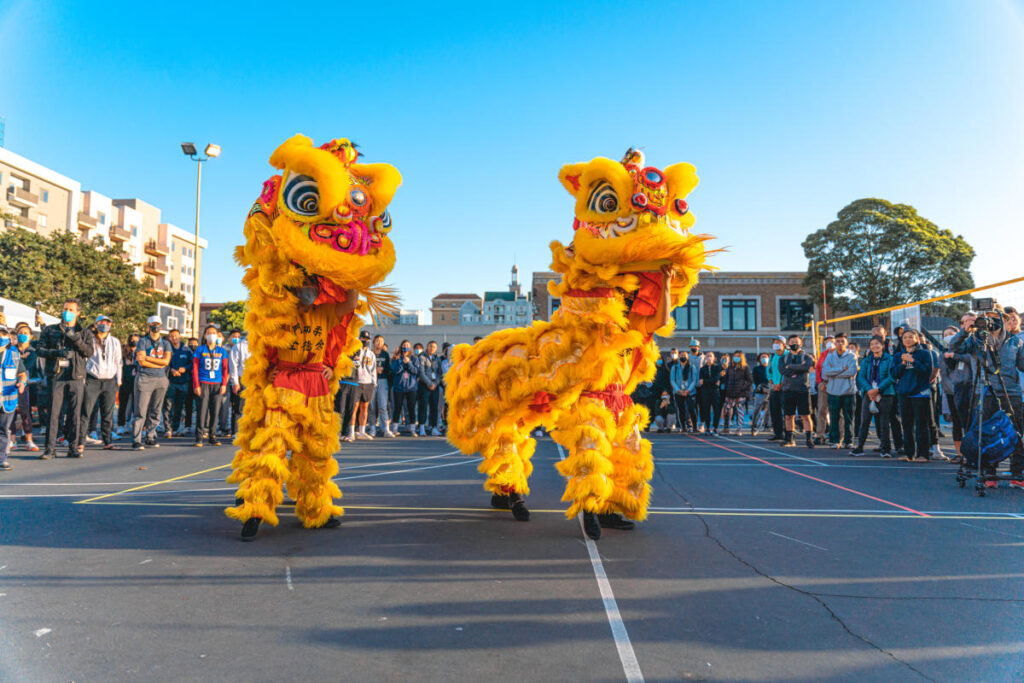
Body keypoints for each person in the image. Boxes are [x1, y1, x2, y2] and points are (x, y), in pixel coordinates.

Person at [950, 307, 1024, 487]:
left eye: (995, 318)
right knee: (985, 433)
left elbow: (1022, 365)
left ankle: (1017, 473)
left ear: (1005, 320)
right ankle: (989, 474)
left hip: (1011, 392)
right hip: (984, 391)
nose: (991, 322)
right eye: (987, 318)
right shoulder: (976, 339)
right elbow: (954, 347)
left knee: (1017, 432)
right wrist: (965, 330)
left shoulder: (1017, 341)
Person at [36, 298, 94, 459]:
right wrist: (56, 353)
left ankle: (73, 447)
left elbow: (89, 352)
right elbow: (40, 350)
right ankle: (49, 449)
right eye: (65, 309)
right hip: (57, 375)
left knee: (75, 414)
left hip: (76, 376)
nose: (67, 312)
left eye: (70, 309)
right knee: (53, 414)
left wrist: (74, 337)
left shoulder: (85, 332)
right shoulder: (50, 330)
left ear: (78, 312)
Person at [890, 328, 934, 463]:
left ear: (917, 339)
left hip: (920, 393)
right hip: (904, 392)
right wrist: (903, 363)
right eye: (905, 337)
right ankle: (909, 453)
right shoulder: (898, 356)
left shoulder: (924, 354)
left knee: (921, 424)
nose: (908, 339)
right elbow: (894, 374)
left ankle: (923, 454)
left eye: (911, 337)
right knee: (907, 424)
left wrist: (913, 361)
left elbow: (927, 372)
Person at [79, 315, 121, 452]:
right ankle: (81, 441)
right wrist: (83, 378)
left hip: (109, 381)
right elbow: (84, 359)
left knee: (107, 413)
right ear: (96, 325)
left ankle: (107, 441)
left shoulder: (115, 342)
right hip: (92, 379)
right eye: (102, 322)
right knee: (86, 411)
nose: (105, 325)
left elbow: (118, 362)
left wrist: (119, 380)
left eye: (108, 322)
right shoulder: (90, 340)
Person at [852, 336, 896, 456]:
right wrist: (870, 390)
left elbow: (891, 376)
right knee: (864, 420)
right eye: (872, 344)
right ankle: (860, 447)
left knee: (884, 422)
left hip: (886, 394)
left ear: (882, 346)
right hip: (869, 393)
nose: (874, 346)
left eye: (877, 344)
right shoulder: (867, 360)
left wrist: (879, 389)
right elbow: (861, 376)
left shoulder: (889, 359)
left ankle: (885, 448)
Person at [132, 315, 171, 450]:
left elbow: (166, 362)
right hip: (145, 378)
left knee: (156, 410)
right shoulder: (143, 341)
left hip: (161, 379)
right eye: (153, 324)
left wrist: (149, 359)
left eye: (158, 324)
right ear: (148, 326)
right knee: (141, 411)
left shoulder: (166, 343)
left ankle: (150, 436)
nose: (156, 326)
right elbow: (141, 361)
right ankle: (137, 439)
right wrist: (159, 364)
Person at [943, 315, 976, 462]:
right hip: (957, 387)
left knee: (975, 422)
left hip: (975, 386)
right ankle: (963, 454)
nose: (968, 324)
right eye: (964, 321)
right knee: (960, 423)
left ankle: (977, 455)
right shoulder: (959, 341)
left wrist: (956, 356)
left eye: (971, 321)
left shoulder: (979, 339)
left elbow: (974, 358)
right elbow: (954, 350)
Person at [191, 324, 229, 447]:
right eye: (209, 332)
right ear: (205, 335)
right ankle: (199, 437)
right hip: (203, 382)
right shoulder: (200, 350)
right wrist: (196, 385)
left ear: (218, 335)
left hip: (217, 384)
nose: (211, 335)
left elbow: (225, 369)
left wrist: (224, 384)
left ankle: (213, 436)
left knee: (215, 410)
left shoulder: (222, 351)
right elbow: (195, 368)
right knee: (202, 411)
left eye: (214, 332)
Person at [822, 333, 858, 449]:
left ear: (846, 343)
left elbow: (852, 372)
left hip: (848, 391)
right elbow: (825, 372)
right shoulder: (830, 357)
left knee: (849, 418)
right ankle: (834, 440)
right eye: (837, 341)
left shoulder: (852, 356)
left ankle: (848, 441)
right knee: (834, 418)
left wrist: (834, 373)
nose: (840, 343)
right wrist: (841, 369)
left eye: (842, 341)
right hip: (833, 392)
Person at [779, 334, 815, 448]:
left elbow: (806, 367)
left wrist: (791, 367)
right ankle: (789, 438)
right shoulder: (783, 358)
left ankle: (809, 438)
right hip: (788, 389)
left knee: (806, 415)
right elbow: (783, 371)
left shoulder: (807, 357)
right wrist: (797, 368)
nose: (794, 344)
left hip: (802, 389)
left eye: (797, 342)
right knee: (789, 416)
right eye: (792, 342)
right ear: (788, 344)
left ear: (801, 343)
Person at [0, 325, 28, 470]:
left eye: (4, 334)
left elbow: (22, 373)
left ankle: (2, 459)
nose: (1, 337)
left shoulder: (14, 354)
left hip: (8, 399)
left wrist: (22, 383)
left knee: (4, 430)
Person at [12, 323, 40, 452]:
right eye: (20, 332)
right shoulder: (11, 349)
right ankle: (12, 440)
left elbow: (28, 367)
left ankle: (29, 440)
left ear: (30, 336)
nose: (22, 335)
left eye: (25, 333)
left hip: (27, 385)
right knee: (10, 413)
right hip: (10, 384)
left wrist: (20, 360)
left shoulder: (33, 351)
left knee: (25, 412)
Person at [163, 328, 191, 437]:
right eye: (171, 336)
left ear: (180, 336)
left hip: (183, 382)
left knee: (179, 407)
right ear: (169, 337)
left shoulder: (186, 349)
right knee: (168, 406)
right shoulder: (166, 349)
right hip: (170, 382)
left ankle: (175, 428)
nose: (174, 337)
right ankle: (167, 428)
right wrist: (171, 370)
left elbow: (192, 364)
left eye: (176, 335)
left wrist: (185, 368)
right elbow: (164, 364)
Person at [391, 340, 419, 435]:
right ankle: (395, 428)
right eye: (404, 345)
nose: (405, 347)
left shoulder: (414, 358)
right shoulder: (397, 358)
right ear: (401, 346)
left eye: (407, 345)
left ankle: (412, 428)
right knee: (397, 408)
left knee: (411, 408)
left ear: (410, 347)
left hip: (411, 387)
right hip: (399, 387)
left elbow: (416, 371)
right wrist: (402, 362)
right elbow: (395, 370)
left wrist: (409, 363)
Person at [720, 351, 752, 435]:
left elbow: (749, 381)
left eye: (738, 356)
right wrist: (726, 389)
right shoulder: (730, 367)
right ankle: (726, 428)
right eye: (735, 356)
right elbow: (726, 379)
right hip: (730, 392)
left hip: (740, 393)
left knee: (739, 411)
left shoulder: (745, 367)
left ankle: (739, 429)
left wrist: (742, 389)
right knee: (726, 409)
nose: (736, 358)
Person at [369, 335, 395, 437]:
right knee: (371, 406)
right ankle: (372, 428)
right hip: (371, 381)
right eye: (377, 341)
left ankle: (386, 429)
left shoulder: (385, 354)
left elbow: (389, 369)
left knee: (383, 406)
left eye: (381, 341)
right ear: (374, 342)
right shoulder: (370, 354)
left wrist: (383, 370)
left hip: (382, 380)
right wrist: (375, 370)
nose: (379, 343)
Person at [353, 331, 377, 440]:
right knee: (355, 407)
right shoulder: (355, 351)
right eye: (363, 338)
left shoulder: (371, 354)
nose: (365, 341)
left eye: (367, 339)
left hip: (368, 382)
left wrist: (373, 382)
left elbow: (373, 369)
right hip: (357, 381)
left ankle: (362, 431)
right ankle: (351, 431)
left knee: (365, 407)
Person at [227, 328, 250, 438]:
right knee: (238, 407)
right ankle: (235, 432)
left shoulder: (261, 344)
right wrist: (235, 382)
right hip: (243, 379)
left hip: (257, 380)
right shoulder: (240, 346)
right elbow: (233, 366)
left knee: (255, 408)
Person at [417, 340, 442, 436]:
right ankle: (422, 427)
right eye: (430, 346)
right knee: (423, 406)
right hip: (424, 385)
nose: (432, 348)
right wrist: (429, 383)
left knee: (434, 407)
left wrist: (435, 383)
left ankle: (434, 427)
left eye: (434, 347)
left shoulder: (437, 359)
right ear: (427, 347)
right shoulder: (421, 357)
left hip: (435, 386)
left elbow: (439, 373)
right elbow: (421, 372)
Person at [336, 350, 361, 443]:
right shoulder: (341, 349)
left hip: (354, 383)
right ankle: (337, 432)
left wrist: (351, 361)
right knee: (340, 409)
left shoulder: (356, 349)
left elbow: (357, 362)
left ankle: (345, 434)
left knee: (350, 409)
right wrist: (350, 361)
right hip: (342, 381)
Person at [813, 335, 834, 445]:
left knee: (836, 411)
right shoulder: (823, 354)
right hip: (824, 384)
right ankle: (820, 434)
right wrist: (819, 382)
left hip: (836, 384)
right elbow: (818, 369)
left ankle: (837, 435)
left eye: (831, 341)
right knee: (821, 409)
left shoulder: (840, 355)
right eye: (827, 341)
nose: (829, 343)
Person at [670, 349, 698, 432]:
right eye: (681, 355)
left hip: (690, 392)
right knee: (681, 410)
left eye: (684, 355)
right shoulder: (674, 367)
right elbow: (672, 380)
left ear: (688, 357)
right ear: (679, 357)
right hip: (678, 392)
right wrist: (678, 390)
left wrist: (688, 390)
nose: (683, 357)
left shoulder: (692, 367)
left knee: (692, 409)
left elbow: (694, 380)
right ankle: (683, 427)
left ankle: (694, 427)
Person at [117, 334, 139, 432]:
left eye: (136, 340)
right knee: (123, 404)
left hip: (137, 380)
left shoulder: (141, 350)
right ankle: (121, 424)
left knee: (137, 404)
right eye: (132, 340)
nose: (133, 342)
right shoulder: (124, 350)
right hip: (125, 379)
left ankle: (136, 425)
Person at [766, 336, 787, 441]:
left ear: (784, 344)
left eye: (778, 342)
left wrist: (781, 384)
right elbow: (769, 370)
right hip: (774, 388)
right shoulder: (772, 356)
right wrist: (772, 383)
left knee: (786, 412)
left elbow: (788, 372)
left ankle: (788, 433)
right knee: (775, 410)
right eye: (774, 342)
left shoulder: (788, 355)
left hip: (785, 387)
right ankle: (778, 433)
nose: (776, 344)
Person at [698, 352, 723, 435]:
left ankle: (715, 428)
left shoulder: (717, 367)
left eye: (710, 356)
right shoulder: (702, 369)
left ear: (714, 358)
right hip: (705, 392)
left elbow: (716, 378)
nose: (709, 358)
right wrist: (708, 381)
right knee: (706, 410)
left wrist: (705, 381)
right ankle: (707, 427)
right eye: (707, 356)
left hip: (715, 391)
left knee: (716, 410)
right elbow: (701, 381)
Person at [749, 352, 771, 436]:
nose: (764, 358)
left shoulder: (771, 368)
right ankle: (754, 426)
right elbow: (756, 381)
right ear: (759, 359)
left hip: (771, 391)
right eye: (762, 357)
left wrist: (770, 388)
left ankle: (766, 425)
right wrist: (763, 388)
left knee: (769, 410)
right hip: (760, 392)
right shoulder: (756, 369)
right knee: (757, 409)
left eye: (766, 357)